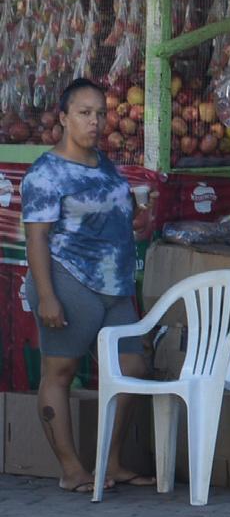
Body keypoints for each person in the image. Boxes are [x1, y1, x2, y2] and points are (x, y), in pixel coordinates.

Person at [21, 78, 156, 493]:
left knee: (132, 368)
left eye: (100, 113)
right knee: (59, 373)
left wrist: (138, 219)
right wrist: (47, 296)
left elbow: (117, 217)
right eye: (84, 113)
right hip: (68, 280)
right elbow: (36, 239)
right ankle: (71, 470)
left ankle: (110, 462)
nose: (95, 121)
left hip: (115, 286)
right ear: (63, 118)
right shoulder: (46, 173)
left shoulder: (105, 164)